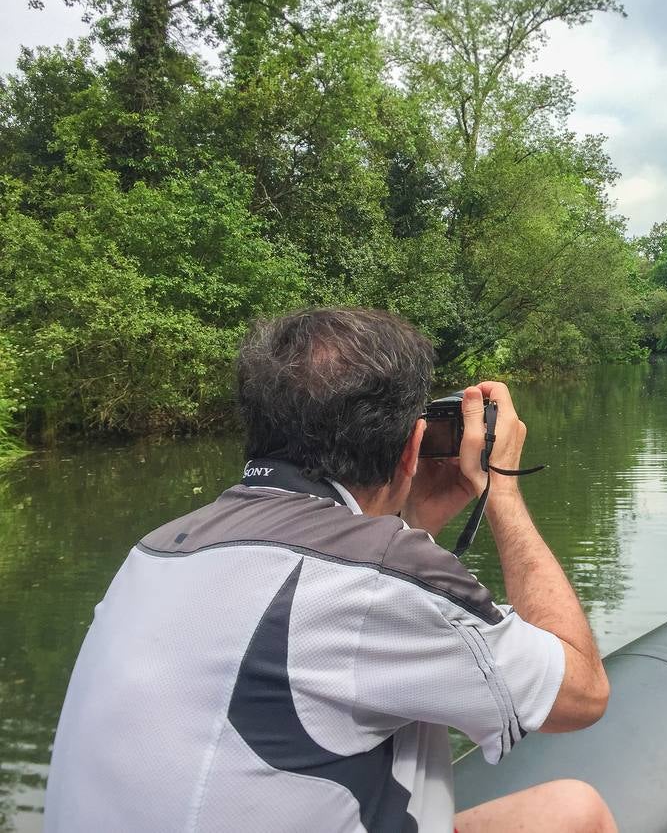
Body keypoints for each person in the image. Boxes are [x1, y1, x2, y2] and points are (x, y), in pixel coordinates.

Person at [44, 308, 617, 833]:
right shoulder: (379, 578)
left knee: (568, 811)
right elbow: (581, 695)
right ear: (414, 443)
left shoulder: (160, 548)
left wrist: (410, 521)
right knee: (580, 814)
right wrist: (502, 490)